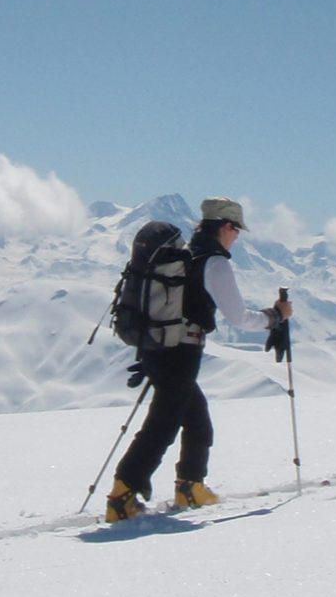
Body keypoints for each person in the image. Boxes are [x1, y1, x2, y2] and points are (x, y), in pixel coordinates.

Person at [105, 198, 291, 522]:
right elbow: (239, 317)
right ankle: (123, 496)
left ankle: (190, 486)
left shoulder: (187, 254)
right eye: (236, 229)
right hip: (181, 351)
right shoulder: (214, 263)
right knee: (162, 426)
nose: (237, 236)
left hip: (159, 348)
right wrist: (275, 316)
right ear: (225, 226)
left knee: (196, 420)